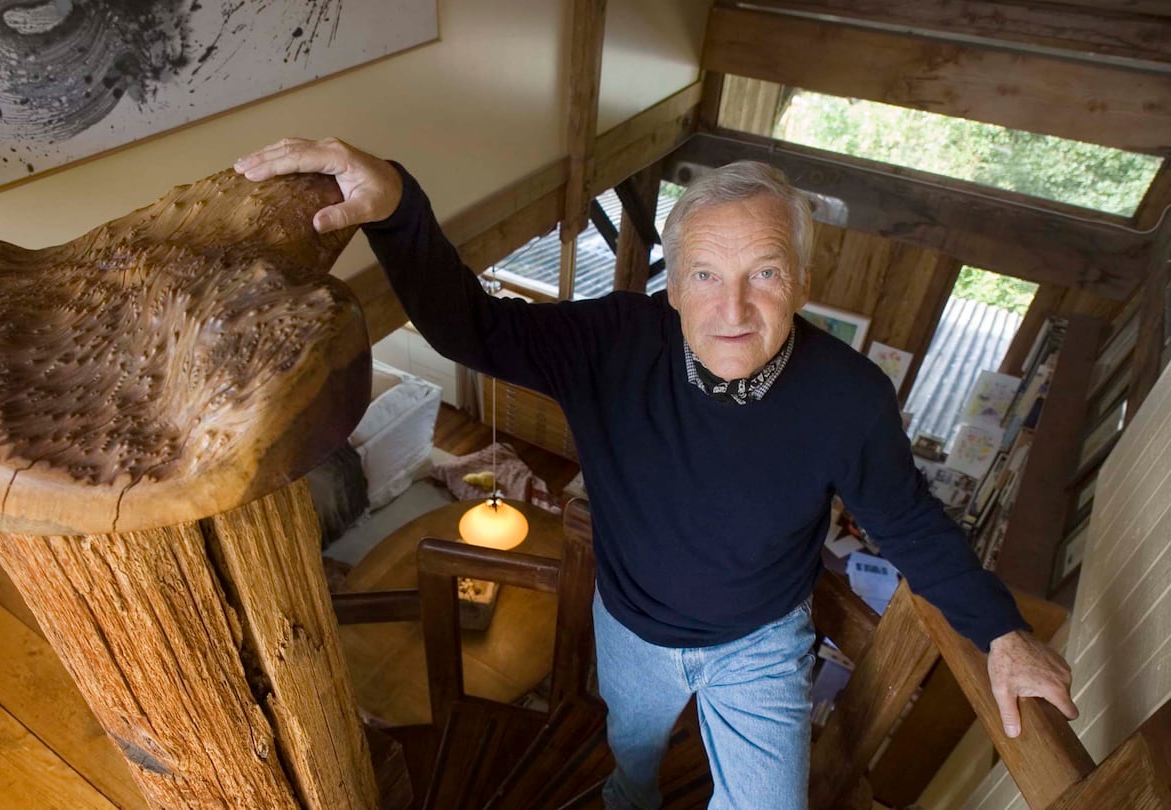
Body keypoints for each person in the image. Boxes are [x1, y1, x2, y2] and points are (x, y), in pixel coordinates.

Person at [235, 137, 1079, 810]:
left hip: (760, 644)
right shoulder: (612, 343)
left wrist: (1003, 633)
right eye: (706, 276)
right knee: (630, 765)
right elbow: (471, 329)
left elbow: (910, 521)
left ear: (803, 284)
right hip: (631, 627)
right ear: (672, 287)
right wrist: (397, 207)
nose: (734, 309)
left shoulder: (849, 398)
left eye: (765, 275)